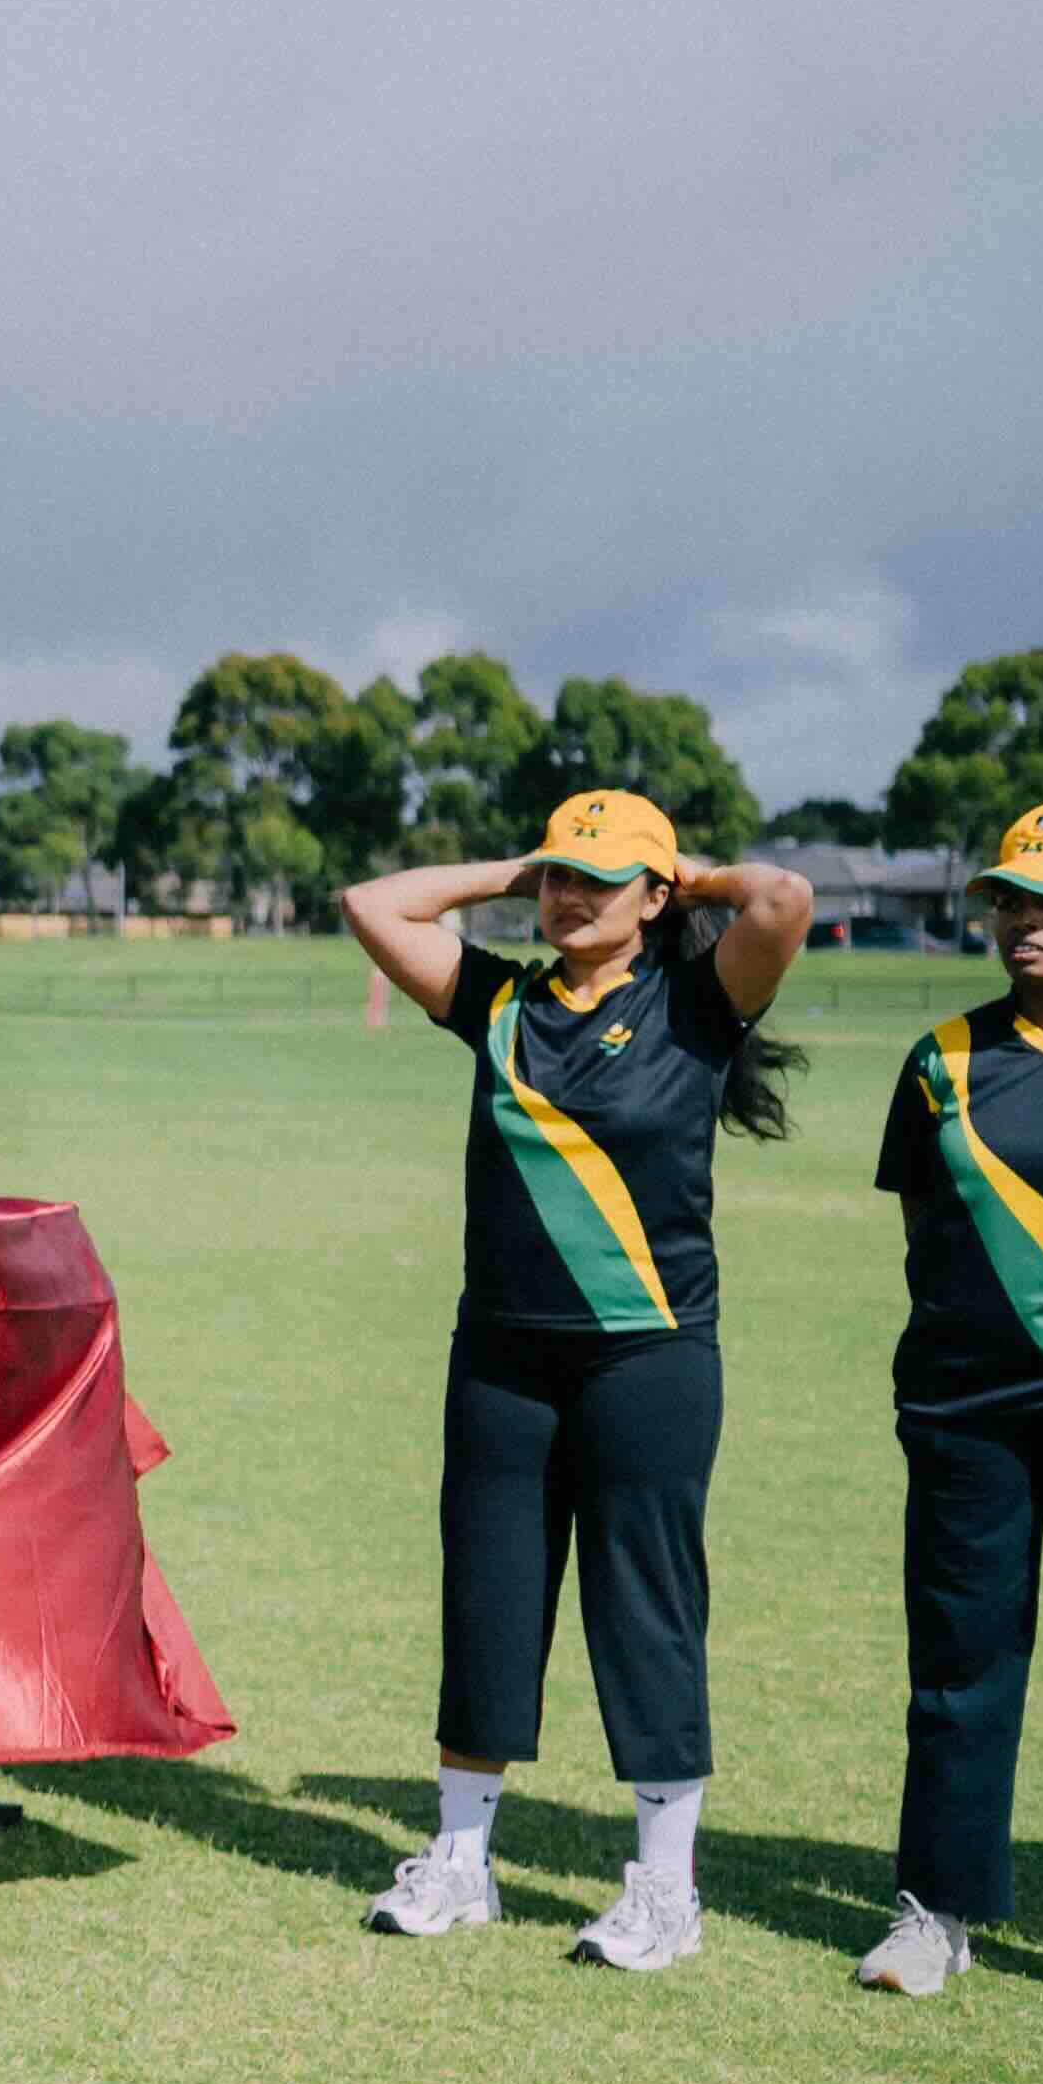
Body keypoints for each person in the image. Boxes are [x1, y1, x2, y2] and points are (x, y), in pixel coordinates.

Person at [340, 792, 810, 1973]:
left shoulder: (696, 1003)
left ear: (653, 897)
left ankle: (664, 1887)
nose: (567, 894)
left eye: (599, 878)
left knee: (642, 1606)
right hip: (501, 1355)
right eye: (557, 874)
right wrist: (517, 864)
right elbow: (369, 903)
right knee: (487, 1597)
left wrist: (676, 877)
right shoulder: (495, 1001)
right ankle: (461, 1862)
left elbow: (784, 900)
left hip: (645, 1355)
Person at [859, 806, 1043, 1995]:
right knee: (960, 1665)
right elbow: (926, 1226)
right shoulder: (943, 1057)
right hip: (971, 1417)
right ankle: (937, 1911)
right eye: (1012, 900)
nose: (1026, 922)